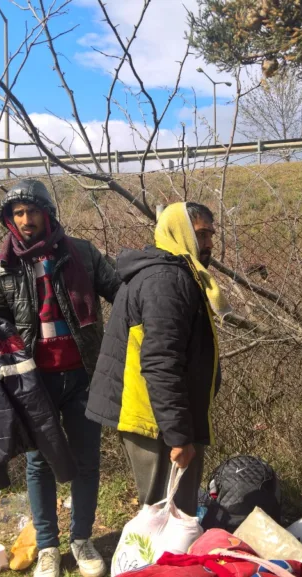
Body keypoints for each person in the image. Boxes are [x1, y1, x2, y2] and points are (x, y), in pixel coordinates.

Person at [0, 179, 120, 577]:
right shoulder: (1, 263)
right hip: (33, 380)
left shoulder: (81, 253)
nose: (25, 219)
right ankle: (48, 546)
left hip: (83, 373)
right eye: (17, 213)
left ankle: (82, 540)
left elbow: (118, 291)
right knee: (39, 463)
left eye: (32, 211)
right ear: (9, 219)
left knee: (87, 460)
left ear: (48, 213)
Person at [87, 201, 229, 516]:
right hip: (156, 423)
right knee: (167, 514)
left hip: (161, 417)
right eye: (202, 234)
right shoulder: (166, 280)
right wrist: (179, 436)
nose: (208, 244)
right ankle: (159, 565)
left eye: (211, 236)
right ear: (179, 231)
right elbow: (160, 361)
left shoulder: (175, 273)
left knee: (171, 512)